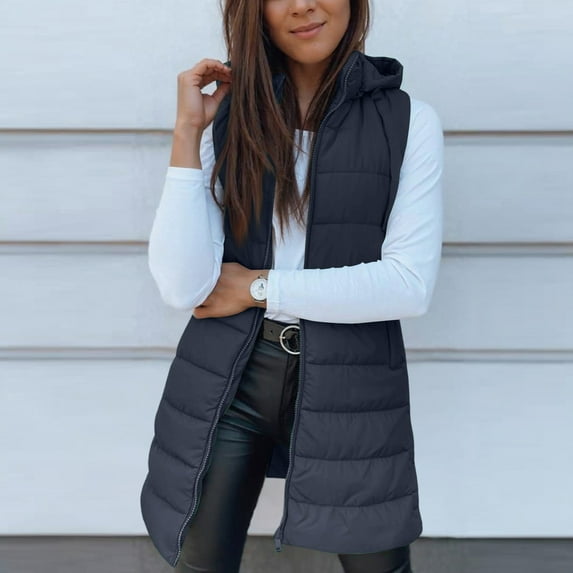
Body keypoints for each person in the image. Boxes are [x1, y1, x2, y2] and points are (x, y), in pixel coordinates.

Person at [140, 0, 444, 572]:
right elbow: (183, 286)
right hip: (229, 375)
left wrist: (257, 287)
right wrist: (188, 131)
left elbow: (408, 284)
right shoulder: (225, 117)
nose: (304, 4)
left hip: (352, 382)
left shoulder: (408, 122)